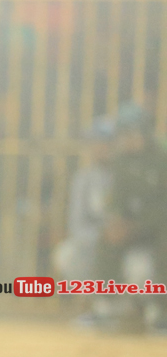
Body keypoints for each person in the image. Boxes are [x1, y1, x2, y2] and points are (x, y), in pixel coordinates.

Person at [92, 103, 167, 331]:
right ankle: (106, 306)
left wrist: (137, 225)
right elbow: (117, 198)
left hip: (160, 223)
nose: (126, 140)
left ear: (145, 132)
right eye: (123, 134)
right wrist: (116, 220)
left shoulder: (162, 156)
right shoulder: (122, 161)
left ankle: (161, 309)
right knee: (107, 237)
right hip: (134, 223)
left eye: (131, 133)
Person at [53, 118, 115, 283]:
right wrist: (102, 236)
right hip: (95, 244)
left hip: (127, 245)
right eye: (95, 142)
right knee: (67, 255)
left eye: (106, 142)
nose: (100, 148)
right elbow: (76, 225)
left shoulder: (129, 175)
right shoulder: (83, 179)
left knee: (139, 267)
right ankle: (95, 296)